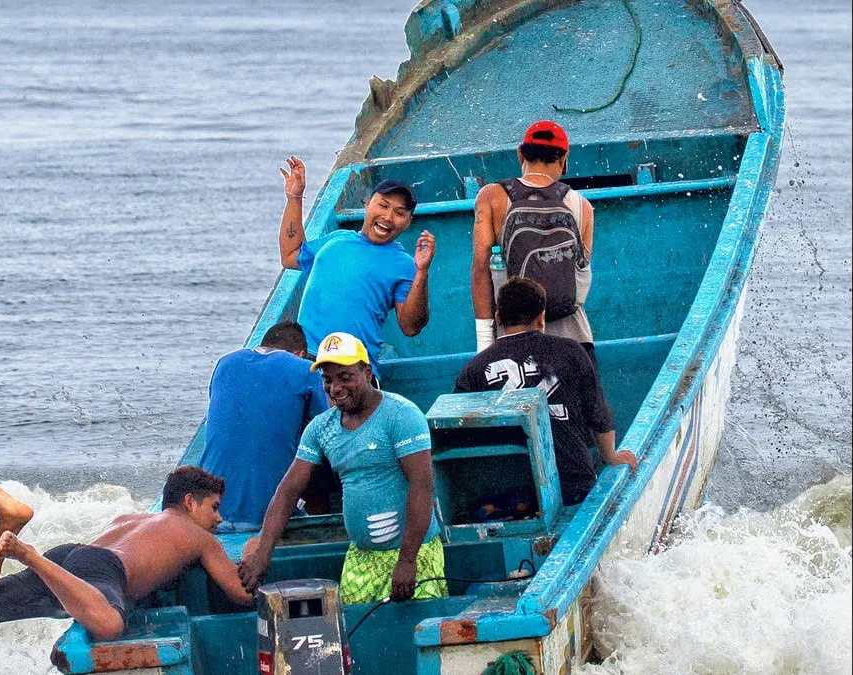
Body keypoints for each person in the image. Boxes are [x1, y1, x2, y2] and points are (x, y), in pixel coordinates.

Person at [238, 332, 447, 604]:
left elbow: (422, 486)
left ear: (367, 372)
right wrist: (263, 554)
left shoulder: (402, 415)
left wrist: (407, 561)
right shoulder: (320, 428)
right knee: (356, 636)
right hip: (362, 560)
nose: (335, 388)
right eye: (327, 380)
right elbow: (289, 491)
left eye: (345, 377)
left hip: (414, 554)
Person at [0, 466, 252, 641]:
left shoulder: (131, 520)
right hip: (101, 569)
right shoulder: (198, 536)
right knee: (110, 626)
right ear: (189, 502)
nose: (219, 519)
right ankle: (30, 556)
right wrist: (255, 550)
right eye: (214, 507)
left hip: (70, 558)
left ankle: (8, 524)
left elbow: (93, 563)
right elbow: (241, 594)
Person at [454, 277, 637, 506]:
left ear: (499, 318)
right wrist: (610, 456)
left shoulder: (473, 370)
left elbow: (460, 437)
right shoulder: (571, 351)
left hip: (510, 497)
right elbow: (598, 415)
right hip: (573, 485)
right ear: (542, 317)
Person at [276, 155, 436, 380]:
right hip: (308, 359)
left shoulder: (405, 264)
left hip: (355, 367)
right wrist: (294, 197)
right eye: (383, 205)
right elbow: (290, 255)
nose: (388, 217)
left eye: (399, 213)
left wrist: (422, 271)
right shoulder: (335, 240)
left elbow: (411, 327)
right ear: (368, 203)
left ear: (408, 222)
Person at [470, 120, 597, 364]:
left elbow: (480, 269)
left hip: (513, 342)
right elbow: (580, 278)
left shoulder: (492, 197)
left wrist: (485, 343)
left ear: (520, 154)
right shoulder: (583, 206)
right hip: (574, 341)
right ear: (563, 160)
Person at [200, 320, 329, 529]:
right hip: (266, 519)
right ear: (300, 354)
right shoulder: (306, 370)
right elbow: (333, 429)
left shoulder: (225, 364)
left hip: (211, 516)